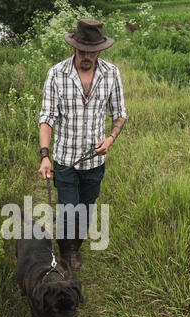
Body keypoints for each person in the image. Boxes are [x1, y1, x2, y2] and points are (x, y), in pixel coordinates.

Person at [38, 18, 127, 268]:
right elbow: (46, 118)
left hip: (95, 162)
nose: (86, 56)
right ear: (73, 47)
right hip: (65, 161)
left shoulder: (111, 74)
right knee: (67, 210)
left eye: (92, 51)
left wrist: (110, 139)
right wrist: (45, 155)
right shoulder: (57, 74)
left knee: (86, 210)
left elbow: (120, 114)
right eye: (82, 51)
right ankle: (65, 255)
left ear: (100, 49)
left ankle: (75, 248)